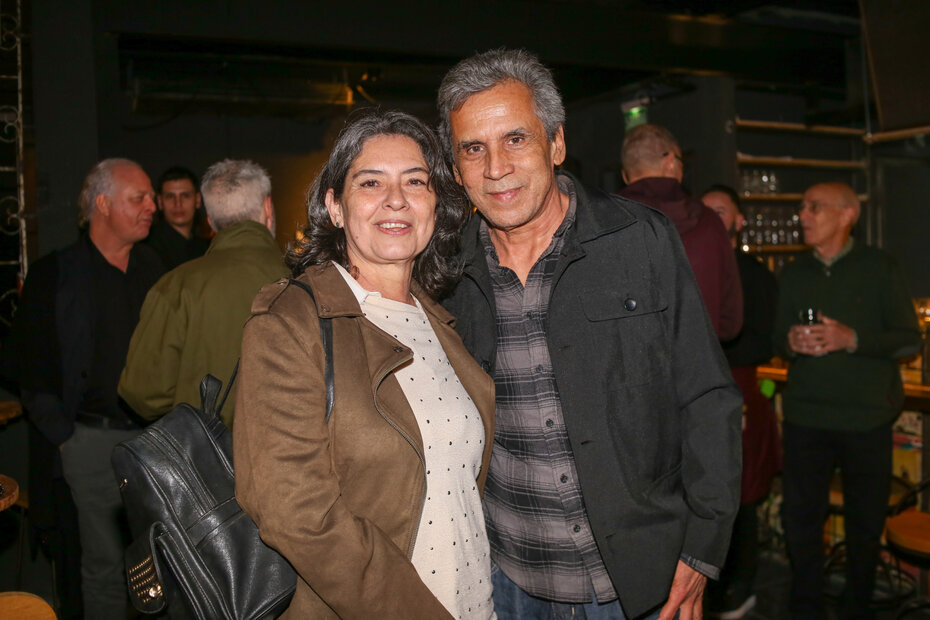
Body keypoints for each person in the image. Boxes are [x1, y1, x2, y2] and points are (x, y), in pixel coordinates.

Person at [438, 48, 741, 620]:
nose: (495, 167)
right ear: (455, 169)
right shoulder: (446, 274)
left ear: (556, 143)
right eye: (473, 148)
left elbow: (707, 396)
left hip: (640, 582)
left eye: (516, 139)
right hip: (509, 583)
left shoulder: (639, 240)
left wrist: (704, 548)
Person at [233, 109, 496, 619]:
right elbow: (296, 513)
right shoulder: (290, 324)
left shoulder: (441, 321)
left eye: (415, 182)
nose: (395, 199)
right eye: (370, 182)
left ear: (435, 205)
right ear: (334, 206)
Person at [4, 158, 164, 618]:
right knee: (103, 566)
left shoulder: (155, 270)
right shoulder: (55, 274)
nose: (152, 206)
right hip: (88, 442)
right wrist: (65, 436)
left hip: (150, 443)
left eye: (151, 196)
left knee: (157, 568)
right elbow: (27, 364)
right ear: (102, 204)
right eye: (140, 197)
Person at [773, 182, 920, 619]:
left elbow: (909, 341)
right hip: (805, 417)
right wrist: (791, 341)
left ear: (847, 215)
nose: (803, 214)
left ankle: (859, 607)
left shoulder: (880, 267)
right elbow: (776, 340)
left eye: (814, 207)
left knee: (864, 525)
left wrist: (851, 338)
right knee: (800, 522)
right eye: (802, 205)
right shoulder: (794, 273)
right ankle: (807, 607)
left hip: (866, 420)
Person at [119, 159, 286, 427]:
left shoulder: (175, 286)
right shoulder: (308, 281)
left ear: (209, 218)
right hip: (291, 458)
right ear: (268, 208)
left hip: (203, 461)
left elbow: (143, 393)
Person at [702, 185, 781, 618]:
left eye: (720, 211)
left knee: (743, 493)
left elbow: (767, 341)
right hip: (700, 393)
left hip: (742, 389)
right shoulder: (689, 263)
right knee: (704, 492)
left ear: (739, 221)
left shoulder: (755, 274)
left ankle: (741, 585)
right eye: (706, 210)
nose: (712, 217)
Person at [619, 124, 743, 341]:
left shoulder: (602, 220)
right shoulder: (709, 222)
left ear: (625, 175)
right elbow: (730, 321)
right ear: (670, 163)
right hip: (695, 365)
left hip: (627, 369)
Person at [146, 166, 210, 270]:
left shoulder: (206, 249)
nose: (178, 204)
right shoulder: (148, 250)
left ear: (198, 200)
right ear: (160, 202)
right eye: (170, 196)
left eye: (185, 195)